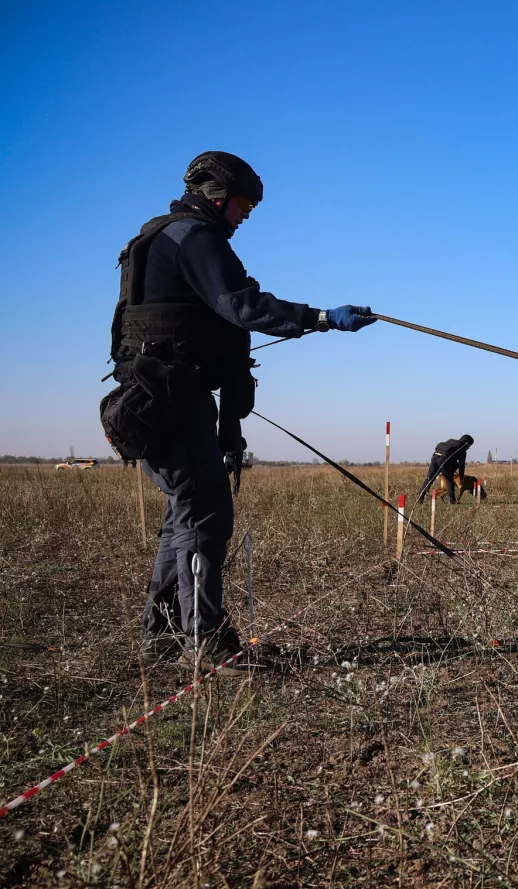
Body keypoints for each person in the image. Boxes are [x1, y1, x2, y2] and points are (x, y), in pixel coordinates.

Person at [102, 151, 376, 672]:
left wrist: (228, 430)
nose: (247, 214)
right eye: (245, 203)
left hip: (155, 399)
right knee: (204, 518)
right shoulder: (193, 238)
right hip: (169, 400)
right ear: (218, 195)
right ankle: (204, 645)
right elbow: (242, 307)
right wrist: (321, 318)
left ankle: (162, 637)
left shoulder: (160, 237)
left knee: (184, 517)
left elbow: (220, 334)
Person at [424, 435, 474, 504]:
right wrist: (461, 477)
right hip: (443, 459)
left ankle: (420, 498)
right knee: (449, 480)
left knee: (429, 479)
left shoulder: (451, 441)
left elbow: (438, 447)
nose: (469, 447)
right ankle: (452, 501)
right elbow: (461, 465)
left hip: (434, 457)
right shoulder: (462, 449)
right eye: (470, 445)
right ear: (467, 443)